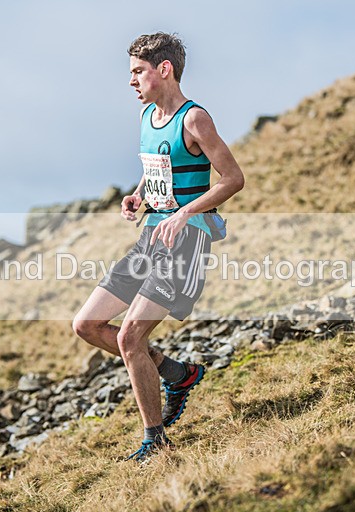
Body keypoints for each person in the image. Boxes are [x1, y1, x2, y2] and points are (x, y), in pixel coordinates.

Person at [72, 32, 244, 462]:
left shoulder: (194, 119)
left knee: (130, 338)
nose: (131, 81)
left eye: (138, 72)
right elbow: (157, 172)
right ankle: (175, 373)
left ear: (163, 70)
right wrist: (139, 195)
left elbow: (233, 179)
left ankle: (155, 441)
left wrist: (185, 213)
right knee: (87, 324)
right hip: (150, 238)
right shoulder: (147, 116)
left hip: (186, 244)